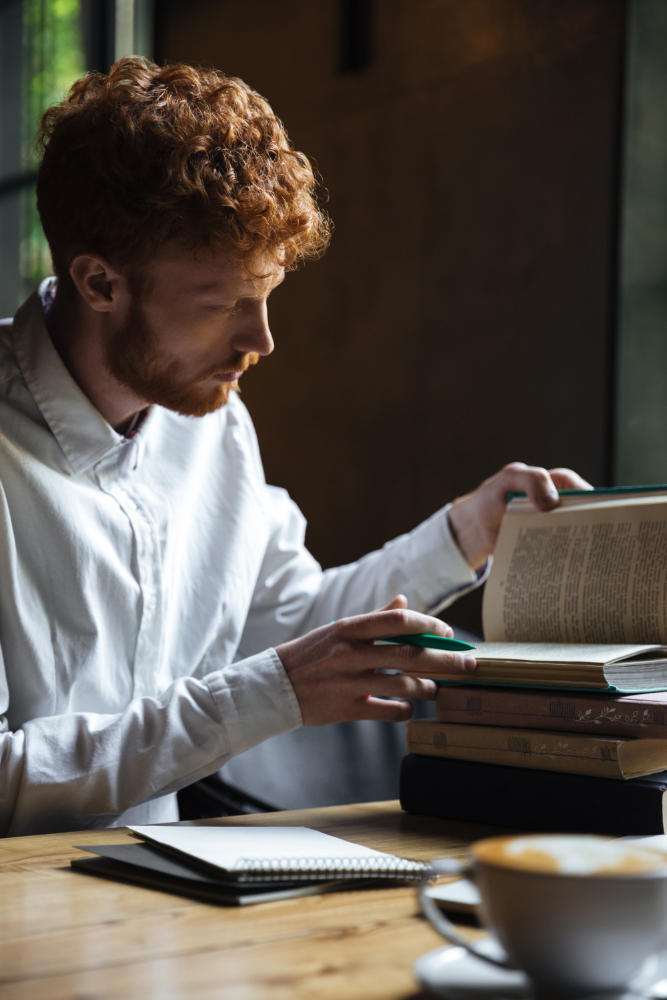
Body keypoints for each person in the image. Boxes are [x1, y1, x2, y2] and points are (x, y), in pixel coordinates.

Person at [0, 58, 589, 836]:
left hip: (158, 900)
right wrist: (262, 696)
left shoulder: (212, 421)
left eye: (268, 294)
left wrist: (463, 535)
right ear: (99, 283)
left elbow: (292, 627)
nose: (261, 340)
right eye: (222, 305)